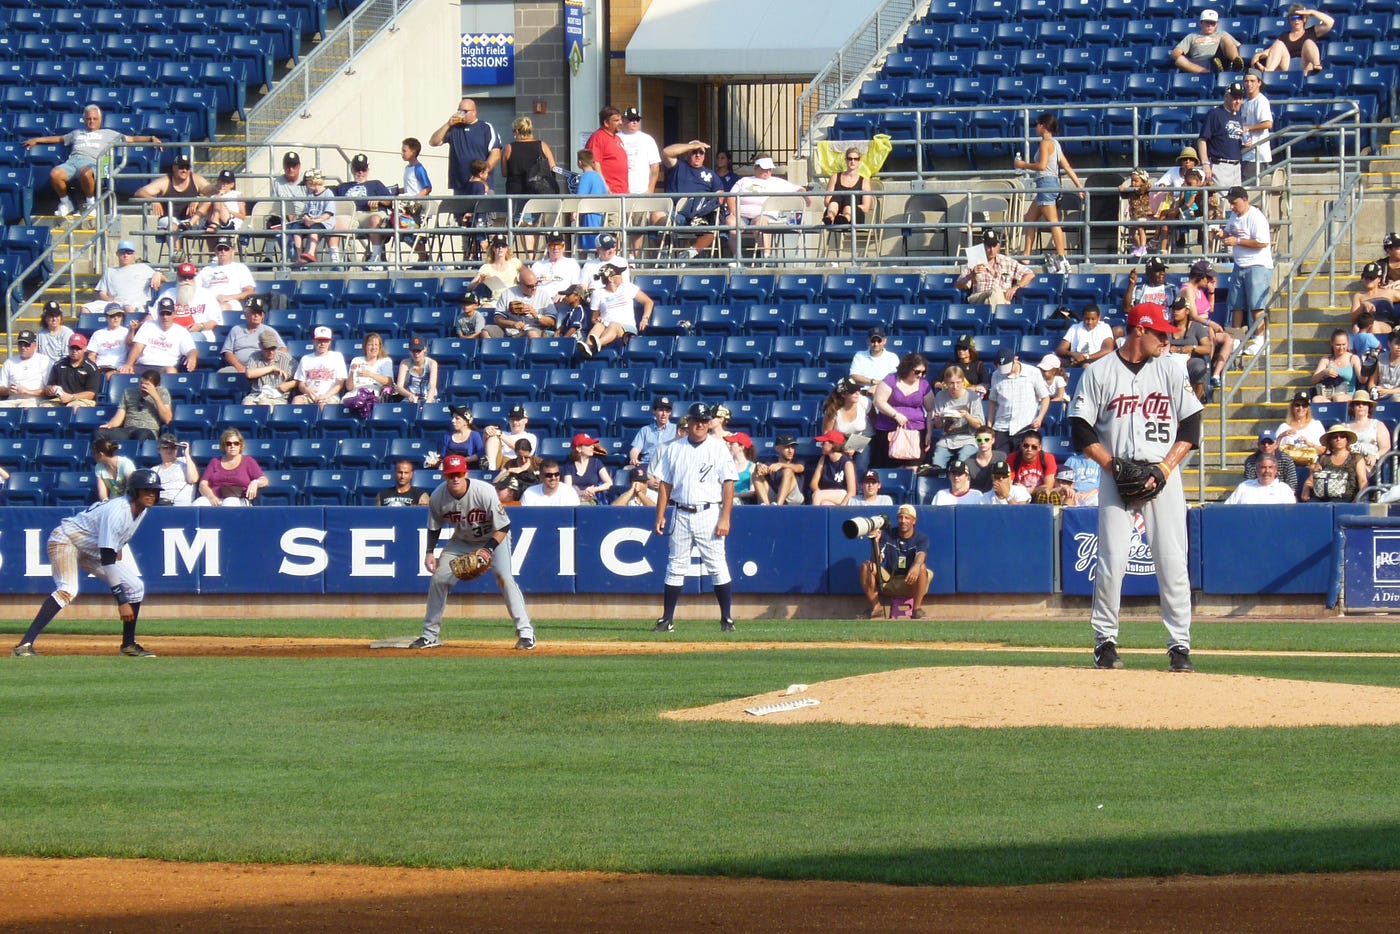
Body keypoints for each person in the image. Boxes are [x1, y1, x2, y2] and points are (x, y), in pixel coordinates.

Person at [1068, 303, 1203, 673]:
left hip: (1163, 474)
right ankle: (1105, 642)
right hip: (1117, 473)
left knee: (1173, 561)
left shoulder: (1171, 371)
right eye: (1160, 332)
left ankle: (1179, 646)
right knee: (1111, 560)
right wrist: (1111, 465)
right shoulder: (1099, 371)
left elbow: (1191, 425)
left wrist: (1164, 467)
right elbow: (1080, 429)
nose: (1166, 338)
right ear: (1139, 331)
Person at [11, 469, 164, 659]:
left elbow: (113, 549)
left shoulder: (140, 511)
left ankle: (128, 645)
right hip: (66, 539)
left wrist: (118, 547)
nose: (151, 494)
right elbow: (108, 559)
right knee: (68, 589)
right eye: (146, 490)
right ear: (134, 491)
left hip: (91, 548)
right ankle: (24, 645)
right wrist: (121, 601)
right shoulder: (119, 510)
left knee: (136, 586)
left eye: (154, 491)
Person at [415, 453, 536, 650]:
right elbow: (434, 526)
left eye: (459, 473)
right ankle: (430, 635)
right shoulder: (438, 496)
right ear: (444, 475)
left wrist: (487, 550)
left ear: (466, 473)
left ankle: (526, 633)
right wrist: (430, 552)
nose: (455, 478)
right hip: (462, 541)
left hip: (493, 539)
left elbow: (503, 527)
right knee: (439, 579)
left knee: (505, 578)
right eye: (451, 474)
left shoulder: (484, 491)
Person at [651, 403, 738, 633]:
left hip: (709, 512)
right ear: (688, 422)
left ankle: (726, 618)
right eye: (695, 420)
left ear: (709, 423)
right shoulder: (674, 448)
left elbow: (728, 484)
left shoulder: (718, 448)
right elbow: (664, 484)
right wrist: (660, 514)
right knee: (675, 566)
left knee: (717, 565)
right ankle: (667, 618)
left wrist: (725, 517)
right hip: (680, 511)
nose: (699, 424)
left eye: (704, 420)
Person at [24, 105, 161, 218]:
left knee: (86, 172)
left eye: (95, 119)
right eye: (89, 119)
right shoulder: (76, 133)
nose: (91, 121)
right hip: (73, 162)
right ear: (84, 120)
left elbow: (131, 139)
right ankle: (66, 203)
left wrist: (151, 138)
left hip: (94, 162)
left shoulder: (108, 133)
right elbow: (59, 139)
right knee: (55, 173)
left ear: (100, 120)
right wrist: (36, 140)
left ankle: (91, 204)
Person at [1012, 113, 1085, 274]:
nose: (1035, 127)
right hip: (1047, 186)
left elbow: (1042, 166)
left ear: (1043, 125)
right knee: (1029, 218)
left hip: (1046, 184)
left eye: (1036, 124)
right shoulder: (1056, 144)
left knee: (1053, 222)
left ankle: (1062, 258)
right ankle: (1026, 255)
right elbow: (1067, 167)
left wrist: (1022, 164)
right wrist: (1079, 187)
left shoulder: (1045, 143)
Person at [1217, 186, 1273, 357]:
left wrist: (1237, 241)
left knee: (1256, 305)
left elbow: (1262, 243)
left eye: (1234, 203)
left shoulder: (1256, 217)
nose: (1232, 207)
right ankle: (1236, 340)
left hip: (1258, 265)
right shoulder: (1234, 216)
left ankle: (1260, 340)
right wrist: (1222, 234)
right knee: (1236, 305)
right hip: (1239, 265)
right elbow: (1230, 232)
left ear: (1245, 199)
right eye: (1230, 203)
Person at [430, 98, 504, 220]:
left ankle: (485, 239)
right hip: (461, 185)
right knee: (463, 223)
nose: (461, 114)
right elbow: (434, 142)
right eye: (459, 110)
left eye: (464, 111)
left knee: (483, 221)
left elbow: (495, 154)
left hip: (481, 186)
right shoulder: (454, 129)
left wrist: (483, 172)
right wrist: (448, 124)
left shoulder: (485, 128)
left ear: (474, 112)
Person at [728, 155, 808, 259]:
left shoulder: (777, 182)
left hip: (764, 215)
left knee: (761, 222)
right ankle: (737, 257)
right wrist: (734, 212)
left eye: (769, 169)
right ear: (756, 168)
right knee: (730, 221)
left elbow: (798, 189)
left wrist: (805, 195)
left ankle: (766, 256)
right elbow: (731, 196)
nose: (768, 171)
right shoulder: (744, 181)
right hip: (741, 215)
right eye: (764, 168)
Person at [859, 504, 931, 619]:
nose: (903, 521)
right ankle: (876, 608)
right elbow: (876, 561)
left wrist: (916, 565)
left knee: (921, 567)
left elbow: (921, 555)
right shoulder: (888, 535)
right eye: (900, 517)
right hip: (890, 579)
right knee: (866, 566)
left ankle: (916, 609)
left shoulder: (921, 538)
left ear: (914, 521)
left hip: (910, 580)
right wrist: (875, 542)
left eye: (907, 518)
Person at [659, 139, 727, 260]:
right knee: (656, 214)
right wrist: (693, 145)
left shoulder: (710, 174)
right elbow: (666, 152)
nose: (697, 155)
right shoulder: (678, 166)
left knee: (714, 224)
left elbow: (720, 195)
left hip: (700, 215)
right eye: (694, 151)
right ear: (687, 153)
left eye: (701, 152)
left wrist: (706, 209)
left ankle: (688, 254)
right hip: (676, 213)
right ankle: (664, 253)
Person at [132, 154, 210, 257]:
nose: (184, 171)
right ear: (174, 168)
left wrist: (199, 198)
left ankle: (214, 258)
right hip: (169, 219)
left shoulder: (196, 179)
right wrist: (153, 200)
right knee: (173, 227)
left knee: (213, 221)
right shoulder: (165, 181)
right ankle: (177, 258)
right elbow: (140, 192)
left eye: (187, 168)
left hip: (191, 221)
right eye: (181, 167)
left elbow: (214, 192)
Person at [502, 116, 559, 256]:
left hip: (518, 194)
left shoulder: (509, 148)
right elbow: (553, 167)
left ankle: (528, 259)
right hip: (539, 193)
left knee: (525, 228)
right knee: (538, 227)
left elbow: (504, 172)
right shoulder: (542, 145)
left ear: (516, 131)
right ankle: (537, 257)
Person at [869, 352, 934, 468]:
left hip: (916, 431)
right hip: (888, 430)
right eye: (917, 371)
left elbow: (930, 410)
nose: (920, 375)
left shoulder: (924, 385)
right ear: (907, 368)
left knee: (912, 468)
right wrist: (895, 415)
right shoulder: (891, 379)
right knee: (889, 467)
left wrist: (929, 432)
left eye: (923, 372)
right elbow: (878, 401)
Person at [1181, 260, 1235, 390]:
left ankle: (1215, 375)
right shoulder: (1187, 290)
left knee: (1229, 339)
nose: (1211, 279)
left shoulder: (1200, 290)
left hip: (1205, 325)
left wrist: (1211, 292)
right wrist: (1210, 324)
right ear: (1201, 276)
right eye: (1208, 277)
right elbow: (1193, 315)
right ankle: (1206, 374)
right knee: (1210, 333)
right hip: (1194, 327)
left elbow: (1210, 309)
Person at [579, 260, 652, 357]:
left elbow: (648, 302)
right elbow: (594, 318)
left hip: (627, 328)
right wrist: (597, 320)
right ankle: (587, 347)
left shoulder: (627, 287)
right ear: (610, 278)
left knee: (614, 325)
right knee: (598, 326)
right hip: (606, 326)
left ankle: (597, 345)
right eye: (619, 274)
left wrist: (645, 318)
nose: (622, 276)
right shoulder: (597, 294)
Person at [331, 153, 395, 263]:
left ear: (367, 170)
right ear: (352, 169)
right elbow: (326, 197)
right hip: (350, 216)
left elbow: (390, 202)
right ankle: (335, 259)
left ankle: (376, 258)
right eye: (357, 169)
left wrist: (379, 200)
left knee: (375, 219)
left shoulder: (376, 184)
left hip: (371, 213)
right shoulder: (342, 187)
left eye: (363, 169)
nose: (360, 172)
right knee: (333, 221)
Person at [986, 347, 1051, 453]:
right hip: (1001, 427)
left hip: (1024, 426)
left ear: (1015, 359)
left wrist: (1039, 418)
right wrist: (989, 424)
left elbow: (1045, 397)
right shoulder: (996, 375)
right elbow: (992, 400)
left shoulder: (1033, 372)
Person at [619, 107, 662, 252]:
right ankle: (618, 257)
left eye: (637, 119)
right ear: (623, 120)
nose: (634, 122)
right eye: (631, 119)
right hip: (620, 191)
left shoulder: (647, 139)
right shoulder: (616, 138)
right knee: (618, 227)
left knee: (638, 228)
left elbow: (655, 167)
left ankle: (634, 258)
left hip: (640, 190)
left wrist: (650, 190)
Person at [956, 230, 1035, 309]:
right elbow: (958, 285)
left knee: (996, 295)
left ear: (998, 246)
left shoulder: (1007, 261)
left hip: (1002, 300)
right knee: (996, 291)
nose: (992, 249)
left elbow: (1030, 274)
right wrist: (971, 275)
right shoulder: (974, 262)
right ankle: (997, 319)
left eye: (994, 245)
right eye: (988, 246)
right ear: (983, 246)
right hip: (979, 298)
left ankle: (991, 318)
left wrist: (1016, 287)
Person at [1249, 4, 1334, 75]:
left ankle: (1317, 65)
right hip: (1288, 66)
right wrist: (1259, 55)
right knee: (1279, 45)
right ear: (1289, 20)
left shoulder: (1311, 32)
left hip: (1305, 66)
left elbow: (1330, 22)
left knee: (1308, 42)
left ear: (1304, 19)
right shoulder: (1284, 36)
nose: (1296, 20)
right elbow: (1273, 50)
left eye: (1299, 17)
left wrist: (1311, 12)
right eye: (1293, 18)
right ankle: (1268, 72)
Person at [928, 364, 985, 470]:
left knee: (963, 461)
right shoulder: (941, 396)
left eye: (958, 383)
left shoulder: (972, 397)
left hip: (969, 438)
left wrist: (967, 416)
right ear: (945, 383)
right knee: (937, 461)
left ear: (963, 382)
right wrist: (939, 418)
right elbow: (937, 425)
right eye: (951, 383)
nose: (955, 387)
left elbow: (979, 425)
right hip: (947, 439)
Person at [120, 298, 198, 374]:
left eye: (168, 313)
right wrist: (129, 364)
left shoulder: (181, 331)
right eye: (162, 313)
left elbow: (191, 350)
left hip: (164, 368)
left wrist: (192, 357)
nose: (165, 317)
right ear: (157, 313)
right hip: (142, 366)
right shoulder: (148, 325)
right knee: (124, 372)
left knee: (171, 371)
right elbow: (138, 346)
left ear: (174, 314)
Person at [155, 262, 223, 350]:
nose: (187, 280)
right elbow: (152, 315)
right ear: (178, 278)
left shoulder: (206, 295)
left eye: (190, 277)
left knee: (188, 339)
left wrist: (201, 326)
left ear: (194, 278)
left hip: (198, 334)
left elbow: (215, 322)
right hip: (170, 334)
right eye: (183, 277)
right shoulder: (168, 293)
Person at [196, 428, 267, 507]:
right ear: (224, 446)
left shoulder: (248, 461)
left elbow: (264, 480)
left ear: (240, 445)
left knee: (229, 502)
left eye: (236, 443)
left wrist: (255, 482)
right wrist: (211, 497)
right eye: (229, 443)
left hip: (238, 499)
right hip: (216, 499)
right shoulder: (215, 462)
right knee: (199, 502)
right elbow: (203, 484)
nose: (232, 446)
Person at [95, 370, 171, 442]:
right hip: (128, 430)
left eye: (147, 385)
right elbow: (119, 416)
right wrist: (110, 425)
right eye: (141, 383)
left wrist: (155, 396)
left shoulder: (162, 392)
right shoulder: (128, 392)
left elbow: (167, 419)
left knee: (141, 434)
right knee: (99, 432)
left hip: (147, 430)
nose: (142, 386)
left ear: (156, 386)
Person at [1198, 83, 1247, 191]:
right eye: (1235, 98)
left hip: (1236, 165)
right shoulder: (1215, 113)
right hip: (1220, 165)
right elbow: (1202, 140)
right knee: (1221, 204)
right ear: (1226, 97)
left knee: (1235, 204)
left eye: (1240, 98)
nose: (1238, 101)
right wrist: (1205, 163)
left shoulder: (1239, 116)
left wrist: (1244, 143)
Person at [822, 376, 874, 476]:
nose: (857, 393)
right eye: (853, 391)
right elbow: (827, 434)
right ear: (843, 394)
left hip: (863, 438)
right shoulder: (833, 409)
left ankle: (857, 485)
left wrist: (853, 446)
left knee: (861, 464)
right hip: (839, 441)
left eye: (858, 389)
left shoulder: (865, 402)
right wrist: (842, 447)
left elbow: (873, 427)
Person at [96, 240, 164, 316]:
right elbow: (102, 294)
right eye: (122, 252)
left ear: (133, 254)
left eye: (129, 253)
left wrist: (158, 274)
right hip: (113, 304)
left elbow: (167, 281)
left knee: (128, 307)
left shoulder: (143, 268)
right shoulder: (109, 271)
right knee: (86, 309)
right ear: (117, 254)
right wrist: (111, 300)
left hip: (137, 304)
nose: (125, 255)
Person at [1301, 425, 1367, 502]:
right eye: (1335, 437)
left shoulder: (1356, 458)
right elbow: (1311, 479)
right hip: (1321, 498)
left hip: (1346, 499)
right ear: (1330, 441)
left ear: (1347, 440)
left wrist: (1357, 501)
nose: (1338, 439)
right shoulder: (1323, 459)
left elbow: (1363, 481)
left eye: (1342, 436)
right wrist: (1305, 489)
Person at [1169, 9, 1244, 74]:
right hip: (1197, 63)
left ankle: (1236, 65)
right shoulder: (1192, 36)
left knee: (1226, 39)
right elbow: (1175, 53)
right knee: (1179, 60)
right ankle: (1207, 73)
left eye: (1213, 23)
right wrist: (1184, 59)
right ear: (1201, 23)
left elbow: (1239, 46)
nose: (1210, 25)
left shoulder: (1222, 34)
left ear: (1217, 24)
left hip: (1218, 60)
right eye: (1207, 22)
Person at [219, 297, 281, 375]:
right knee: (221, 373)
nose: (256, 315)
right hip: (238, 367)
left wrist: (269, 364)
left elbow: (283, 349)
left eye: (259, 313)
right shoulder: (236, 329)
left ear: (263, 316)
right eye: (253, 312)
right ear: (246, 315)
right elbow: (227, 352)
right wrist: (239, 367)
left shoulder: (269, 330)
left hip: (260, 367)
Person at [1166, 296, 1212, 400]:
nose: (1175, 312)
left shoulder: (1196, 327)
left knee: (1199, 366)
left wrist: (1193, 347)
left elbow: (1208, 349)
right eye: (1173, 308)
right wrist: (1167, 347)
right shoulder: (1166, 327)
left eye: (1178, 309)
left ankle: (1195, 402)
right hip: (1170, 361)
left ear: (1187, 311)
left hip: (1190, 360)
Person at [288, 169, 338, 265]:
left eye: (307, 184)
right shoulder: (310, 195)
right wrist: (306, 218)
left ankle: (310, 253)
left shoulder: (328, 193)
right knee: (296, 229)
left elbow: (328, 214)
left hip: (324, 223)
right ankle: (299, 257)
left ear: (313, 182)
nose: (306, 186)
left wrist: (315, 221)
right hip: (312, 221)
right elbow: (307, 211)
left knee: (314, 229)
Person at [489, 266, 554, 338]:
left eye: (536, 284)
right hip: (510, 330)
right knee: (487, 330)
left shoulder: (543, 295)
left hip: (533, 328)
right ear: (520, 284)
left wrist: (536, 314)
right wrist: (512, 324)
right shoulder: (508, 293)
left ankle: (535, 349)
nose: (534, 288)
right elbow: (497, 318)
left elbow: (551, 322)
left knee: (532, 334)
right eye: (530, 286)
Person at [198, 237, 257, 315]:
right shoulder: (206, 270)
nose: (223, 251)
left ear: (232, 251)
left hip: (231, 302)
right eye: (220, 249)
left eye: (226, 249)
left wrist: (228, 297)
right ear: (215, 252)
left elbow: (249, 291)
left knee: (221, 307)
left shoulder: (240, 268)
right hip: (207, 302)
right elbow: (194, 288)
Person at [291, 326, 349, 406]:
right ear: (314, 341)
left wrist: (325, 396)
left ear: (330, 342)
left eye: (325, 341)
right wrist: (307, 390)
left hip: (330, 396)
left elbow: (339, 384)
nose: (322, 344)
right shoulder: (306, 358)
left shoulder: (337, 357)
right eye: (319, 341)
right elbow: (301, 384)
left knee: (322, 405)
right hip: (309, 395)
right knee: (297, 400)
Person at [266, 151, 306, 263]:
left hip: (303, 217)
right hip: (283, 216)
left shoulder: (306, 179)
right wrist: (287, 213)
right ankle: (269, 258)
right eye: (288, 166)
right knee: (271, 222)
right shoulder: (277, 182)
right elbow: (274, 204)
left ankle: (297, 259)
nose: (291, 169)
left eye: (294, 166)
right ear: (284, 167)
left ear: (299, 166)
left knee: (295, 227)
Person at [821, 147, 873, 231]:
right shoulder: (835, 177)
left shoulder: (864, 182)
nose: (852, 161)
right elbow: (827, 200)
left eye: (856, 159)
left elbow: (866, 207)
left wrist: (847, 205)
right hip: (835, 211)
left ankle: (845, 219)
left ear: (859, 161)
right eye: (850, 159)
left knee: (849, 199)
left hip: (854, 216)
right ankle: (830, 217)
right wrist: (840, 206)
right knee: (836, 199)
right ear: (846, 160)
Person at [242, 329, 298, 406]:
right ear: (260, 346)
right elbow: (249, 374)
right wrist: (271, 368)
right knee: (247, 404)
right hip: (256, 394)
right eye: (267, 348)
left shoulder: (287, 359)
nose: (271, 352)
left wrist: (289, 384)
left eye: (273, 348)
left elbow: (301, 379)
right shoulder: (254, 356)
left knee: (264, 404)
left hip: (278, 397)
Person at [45, 333, 101, 408]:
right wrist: (51, 390)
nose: (74, 351)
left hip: (82, 400)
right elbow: (48, 386)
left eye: (78, 348)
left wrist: (71, 397)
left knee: (73, 407)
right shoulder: (58, 365)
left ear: (84, 349)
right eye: (72, 348)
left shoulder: (91, 367)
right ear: (68, 348)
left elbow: (91, 394)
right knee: (45, 406)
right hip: (60, 399)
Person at [1239, 70, 1274, 188]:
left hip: (1256, 154)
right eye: (1246, 81)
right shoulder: (1245, 102)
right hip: (1247, 152)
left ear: (1259, 83)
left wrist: (1248, 128)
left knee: (1249, 189)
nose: (1249, 84)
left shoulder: (1261, 101)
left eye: (1252, 81)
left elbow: (1268, 124)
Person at [628, 396, 678, 475]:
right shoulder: (645, 430)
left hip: (667, 465)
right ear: (654, 411)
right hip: (647, 464)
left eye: (667, 411)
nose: (664, 414)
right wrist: (634, 458)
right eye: (661, 410)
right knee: (627, 469)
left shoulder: (677, 430)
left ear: (670, 413)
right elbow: (635, 449)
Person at [344, 331, 396, 407]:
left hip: (373, 394)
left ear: (380, 347)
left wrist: (370, 374)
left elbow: (389, 381)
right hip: (355, 393)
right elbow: (349, 387)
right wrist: (352, 373)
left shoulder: (385, 360)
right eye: (370, 345)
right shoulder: (356, 360)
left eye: (376, 345)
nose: (373, 347)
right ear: (365, 346)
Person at [424, 406, 485, 470]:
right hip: (450, 468)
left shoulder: (474, 435)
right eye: (453, 418)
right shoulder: (447, 436)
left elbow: (480, 453)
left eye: (457, 418)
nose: (453, 421)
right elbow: (443, 455)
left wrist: (464, 460)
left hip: (468, 468)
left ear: (466, 422)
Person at [754, 434, 807, 505]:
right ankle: (766, 506)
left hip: (794, 498)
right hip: (775, 495)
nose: (790, 451)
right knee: (756, 474)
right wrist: (759, 466)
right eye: (787, 447)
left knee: (788, 471)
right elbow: (762, 468)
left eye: (793, 447)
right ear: (777, 448)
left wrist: (781, 465)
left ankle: (779, 506)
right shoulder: (771, 461)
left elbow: (800, 468)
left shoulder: (798, 459)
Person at [1343, 390, 1390, 471]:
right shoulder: (1344, 426)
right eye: (1357, 404)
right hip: (1348, 465)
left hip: (1370, 466)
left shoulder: (1378, 425)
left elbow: (1386, 447)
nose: (1361, 406)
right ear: (1353, 407)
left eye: (1364, 404)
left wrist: (1376, 455)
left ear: (1369, 407)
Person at [585, 106, 628, 194]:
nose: (620, 123)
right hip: (607, 193)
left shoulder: (617, 138)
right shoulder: (598, 137)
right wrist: (605, 187)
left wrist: (627, 188)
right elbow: (594, 163)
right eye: (616, 120)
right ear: (606, 123)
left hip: (622, 192)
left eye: (620, 120)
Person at [468, 236, 523, 302]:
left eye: (503, 246)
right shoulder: (486, 267)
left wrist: (522, 279)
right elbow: (470, 288)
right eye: (497, 246)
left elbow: (528, 277)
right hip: (497, 300)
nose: (500, 248)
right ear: (493, 248)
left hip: (514, 299)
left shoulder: (515, 262)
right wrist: (477, 282)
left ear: (507, 248)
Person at [1224, 453, 1296, 504]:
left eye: (1270, 467)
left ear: (1276, 470)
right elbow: (1228, 509)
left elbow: (1289, 515)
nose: (1267, 471)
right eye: (1263, 467)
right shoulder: (1244, 487)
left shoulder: (1284, 489)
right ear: (1257, 469)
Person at [1242, 428, 1299, 493]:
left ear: (1276, 444)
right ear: (1258, 445)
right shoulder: (1250, 460)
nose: (1266, 445)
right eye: (1263, 443)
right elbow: (1249, 483)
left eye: (1270, 442)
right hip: (1257, 493)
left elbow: (1292, 484)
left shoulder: (1286, 459)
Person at [532, 230, 582, 303]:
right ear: (548, 247)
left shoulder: (572, 263)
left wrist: (565, 294)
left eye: (559, 245)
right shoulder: (537, 265)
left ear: (564, 247)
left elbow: (576, 285)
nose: (556, 248)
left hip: (561, 301)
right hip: (539, 301)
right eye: (552, 245)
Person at [809, 429, 857, 506]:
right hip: (827, 492)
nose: (821, 445)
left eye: (824, 443)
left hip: (844, 495)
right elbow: (813, 483)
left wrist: (842, 507)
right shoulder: (823, 459)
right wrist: (820, 493)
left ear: (833, 444)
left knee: (817, 495)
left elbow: (852, 492)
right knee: (824, 503)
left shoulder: (847, 463)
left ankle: (812, 518)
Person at [1311, 329, 1360, 403]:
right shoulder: (1326, 359)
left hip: (1347, 394)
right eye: (1338, 345)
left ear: (1348, 343)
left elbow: (1362, 379)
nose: (1341, 348)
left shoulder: (1353, 358)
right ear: (1332, 344)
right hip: (1328, 393)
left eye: (1344, 344)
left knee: (1338, 398)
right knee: (1316, 400)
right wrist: (1324, 372)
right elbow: (1314, 380)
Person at [573, 149, 608, 250]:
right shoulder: (598, 176)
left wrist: (574, 212)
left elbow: (580, 196)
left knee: (587, 245)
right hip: (599, 214)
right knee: (597, 243)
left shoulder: (585, 177)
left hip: (588, 214)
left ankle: (586, 264)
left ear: (580, 162)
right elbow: (604, 193)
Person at [194, 169, 248, 234]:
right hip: (212, 222)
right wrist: (196, 200)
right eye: (223, 181)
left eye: (227, 182)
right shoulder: (213, 196)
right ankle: (193, 223)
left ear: (232, 184)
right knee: (209, 200)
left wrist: (229, 211)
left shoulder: (237, 194)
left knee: (217, 199)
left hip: (230, 221)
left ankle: (215, 222)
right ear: (219, 182)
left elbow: (243, 216)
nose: (224, 184)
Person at [848, 328, 901, 395]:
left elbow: (896, 379)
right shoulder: (859, 355)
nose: (876, 344)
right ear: (868, 341)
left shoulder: (892, 357)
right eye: (873, 341)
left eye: (879, 341)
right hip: (863, 394)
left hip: (885, 394)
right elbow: (853, 376)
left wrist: (877, 387)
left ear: (885, 341)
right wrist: (873, 382)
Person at [562, 433, 612, 504]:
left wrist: (594, 489)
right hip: (574, 500)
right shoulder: (569, 466)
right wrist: (582, 493)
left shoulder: (596, 463)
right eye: (588, 445)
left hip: (591, 500)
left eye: (592, 445)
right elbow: (568, 489)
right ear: (578, 448)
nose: (592, 447)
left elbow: (609, 483)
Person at [1350, 262, 1399, 332]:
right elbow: (1353, 318)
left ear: (1379, 279)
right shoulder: (1359, 296)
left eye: (1372, 278)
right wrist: (1362, 305)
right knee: (1356, 328)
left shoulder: (1388, 292)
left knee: (1374, 325)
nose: (1369, 280)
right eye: (1366, 277)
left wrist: (1398, 282)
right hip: (1365, 325)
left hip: (1386, 324)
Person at [151, 434, 198, 506]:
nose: (169, 450)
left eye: (173, 447)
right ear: (159, 450)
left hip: (181, 506)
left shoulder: (185, 462)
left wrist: (187, 455)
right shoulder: (154, 470)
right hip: (160, 506)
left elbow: (193, 479)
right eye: (165, 447)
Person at [1118, 168, 1156, 257]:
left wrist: (1135, 189)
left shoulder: (1146, 186)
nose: (1133, 183)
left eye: (1136, 181)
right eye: (1132, 180)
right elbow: (1124, 195)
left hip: (1143, 213)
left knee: (1141, 229)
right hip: (1133, 214)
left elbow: (1141, 190)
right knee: (1132, 231)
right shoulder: (1131, 188)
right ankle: (1138, 246)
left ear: (1143, 180)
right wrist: (1122, 190)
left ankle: (1143, 247)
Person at [1007, 429, 1057, 495]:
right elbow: (1008, 484)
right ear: (1021, 445)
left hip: (1040, 494)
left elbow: (1048, 486)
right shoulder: (1012, 458)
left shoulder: (1048, 458)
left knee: (1046, 493)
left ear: (1039, 448)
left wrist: (1027, 490)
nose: (1029, 449)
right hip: (1019, 495)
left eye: (1034, 447)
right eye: (1026, 446)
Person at [394, 335, 438, 407]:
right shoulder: (405, 363)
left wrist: (428, 404)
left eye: (418, 350)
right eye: (413, 351)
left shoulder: (432, 363)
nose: (416, 354)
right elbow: (399, 387)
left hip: (428, 397)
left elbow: (432, 387)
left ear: (424, 349)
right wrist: (410, 395)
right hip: (410, 398)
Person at [92, 438, 135, 502]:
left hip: (128, 502)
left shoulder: (126, 463)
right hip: (112, 504)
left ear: (101, 454)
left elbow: (133, 488)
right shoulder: (98, 467)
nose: (93, 456)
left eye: (94, 453)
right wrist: (106, 503)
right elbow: (102, 494)